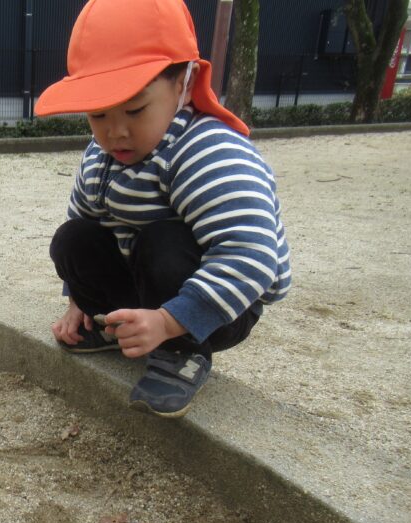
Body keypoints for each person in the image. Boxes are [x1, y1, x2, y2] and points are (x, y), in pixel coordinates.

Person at [35, 0, 291, 418]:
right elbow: (84, 219)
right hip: (144, 287)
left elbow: (252, 256)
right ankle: (108, 324)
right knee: (73, 238)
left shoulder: (209, 150)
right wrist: (77, 301)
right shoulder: (100, 155)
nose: (116, 131)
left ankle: (181, 351)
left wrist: (169, 322)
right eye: (98, 114)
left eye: (135, 109)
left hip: (220, 303)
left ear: (184, 83)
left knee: (163, 239)